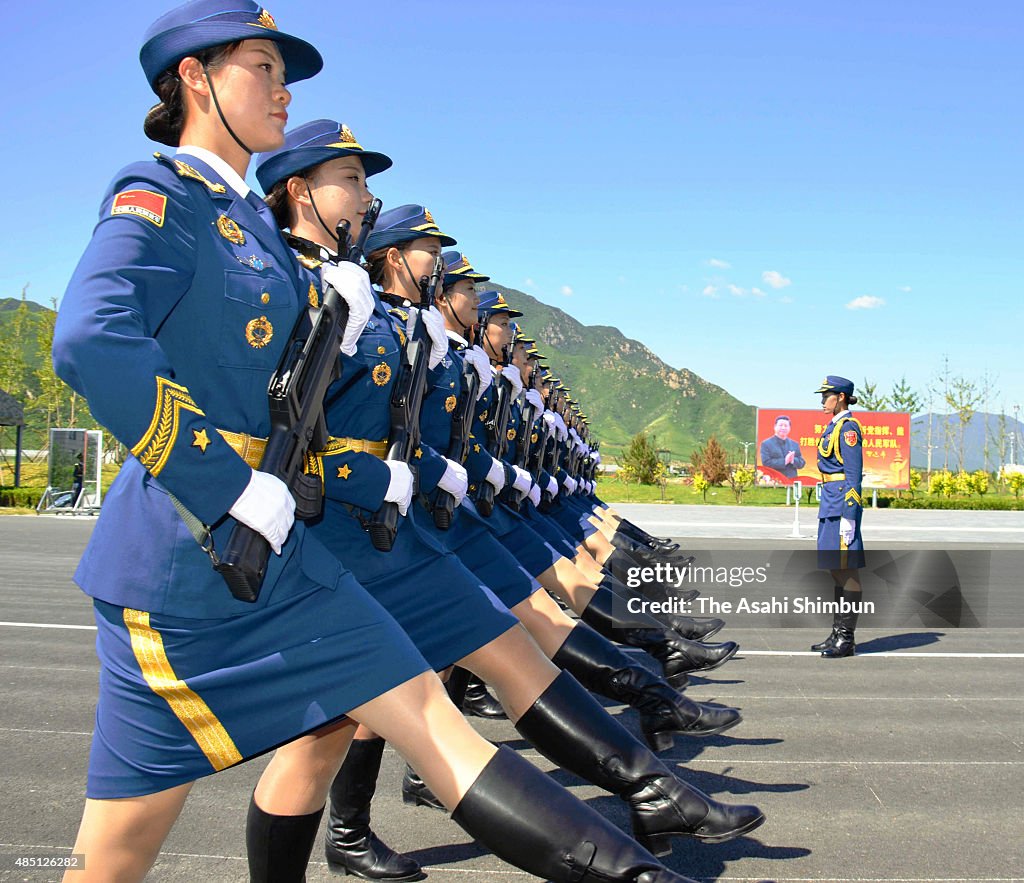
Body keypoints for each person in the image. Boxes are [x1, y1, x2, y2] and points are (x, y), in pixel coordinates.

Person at [51, 7, 704, 882]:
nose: (283, 91)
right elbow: (93, 340)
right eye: (262, 68)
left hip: (283, 556)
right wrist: (227, 486)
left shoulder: (260, 231)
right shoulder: (161, 194)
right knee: (113, 861)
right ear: (196, 79)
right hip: (178, 570)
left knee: (433, 717)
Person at [255, 131, 764, 877]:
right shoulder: (316, 293)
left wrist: (446, 467)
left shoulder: (389, 318)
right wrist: (414, 473)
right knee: (362, 718)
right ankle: (646, 764)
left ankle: (651, 769)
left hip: (406, 527)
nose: (464, 295)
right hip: (343, 529)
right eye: (440, 262)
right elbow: (298, 424)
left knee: (492, 649)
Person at [812, 376, 865, 658]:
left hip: (842, 504)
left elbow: (854, 475)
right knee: (836, 569)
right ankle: (836, 633)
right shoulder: (834, 426)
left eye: (827, 396)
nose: (823, 401)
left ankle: (847, 638)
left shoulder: (848, 429)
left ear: (841, 397)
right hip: (830, 501)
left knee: (847, 570)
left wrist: (850, 516)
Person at [759, 415, 806, 479]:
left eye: (786, 426)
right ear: (775, 427)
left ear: (789, 428)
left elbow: (802, 463)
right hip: (775, 481)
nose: (783, 428)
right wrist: (785, 461)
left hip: (792, 481)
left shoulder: (794, 444)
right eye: (781, 425)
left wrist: (792, 460)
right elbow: (766, 463)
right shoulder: (766, 444)